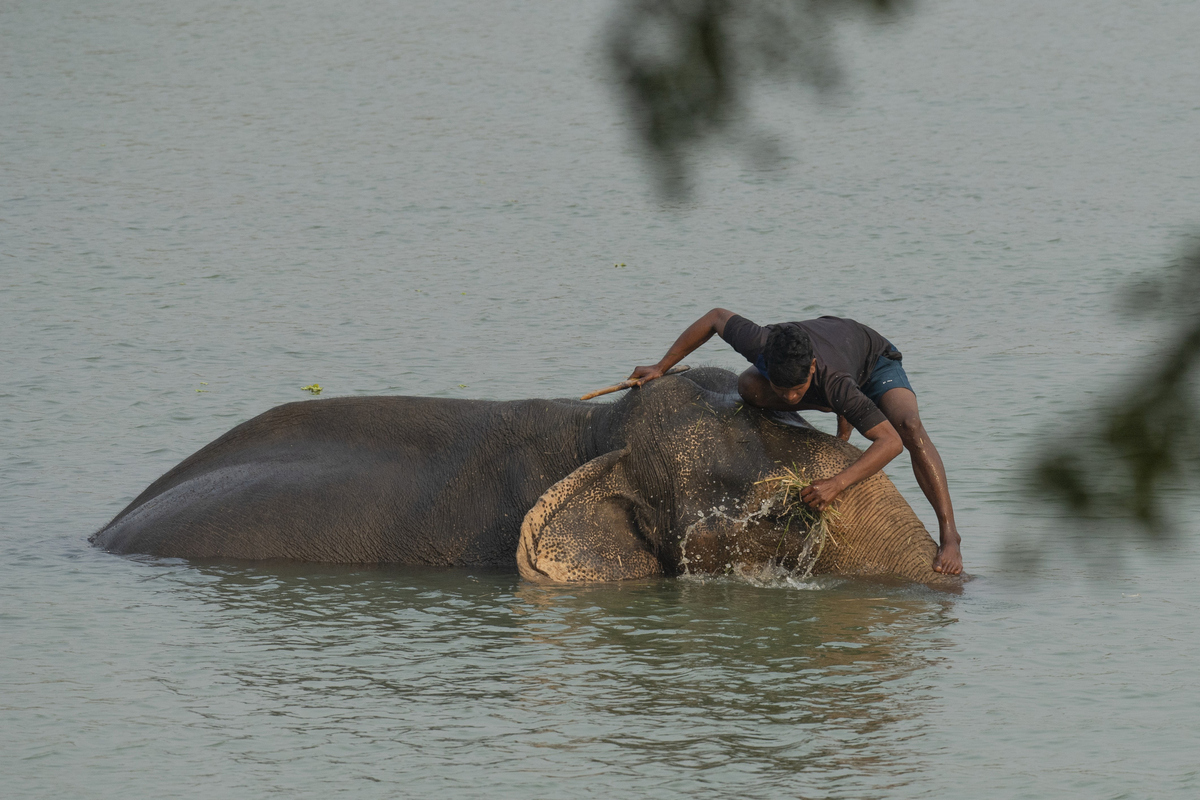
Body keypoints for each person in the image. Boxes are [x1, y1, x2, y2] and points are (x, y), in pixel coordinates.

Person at [628, 308, 963, 575]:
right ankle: (844, 409)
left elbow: (890, 443)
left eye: (797, 390)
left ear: (813, 368)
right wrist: (661, 365)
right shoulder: (760, 342)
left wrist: (837, 483)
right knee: (749, 388)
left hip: (873, 361)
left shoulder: (835, 381)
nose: (789, 398)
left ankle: (950, 535)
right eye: (781, 387)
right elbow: (715, 317)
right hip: (833, 362)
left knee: (909, 425)